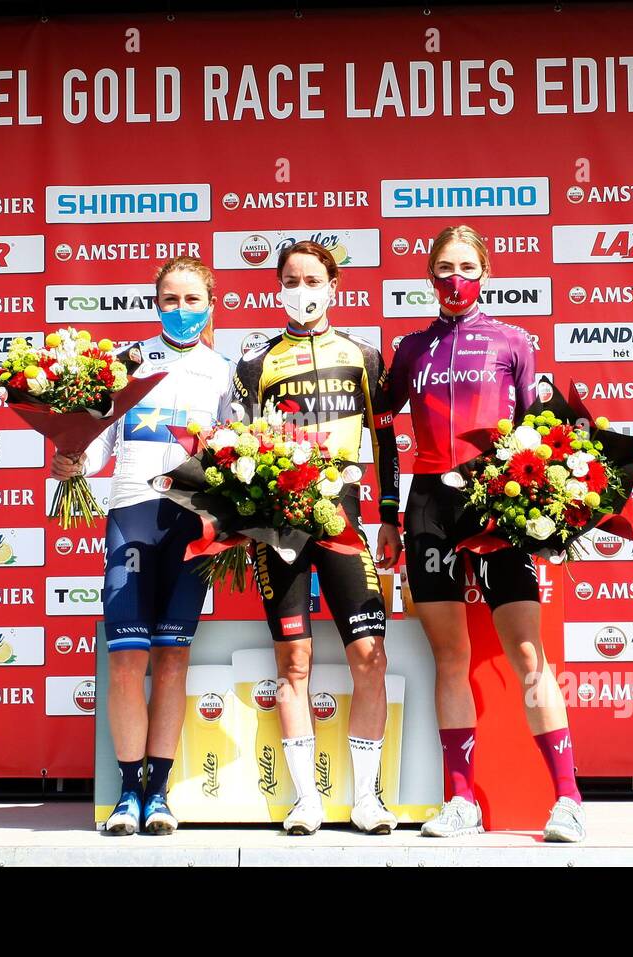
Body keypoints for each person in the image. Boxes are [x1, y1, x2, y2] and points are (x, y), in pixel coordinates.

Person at [380, 225, 585, 842]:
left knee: (529, 655)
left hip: (497, 503)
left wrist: (547, 508)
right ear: (428, 277)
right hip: (428, 509)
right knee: (451, 658)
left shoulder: (514, 342)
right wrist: (390, 514)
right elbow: (386, 432)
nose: (454, 279)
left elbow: (541, 432)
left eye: (466, 267)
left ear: (486, 272)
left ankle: (568, 800)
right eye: (443, 268)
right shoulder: (410, 349)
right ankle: (461, 801)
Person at [51, 256, 234, 836]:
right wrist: (69, 460)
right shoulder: (127, 363)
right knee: (127, 658)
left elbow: (233, 453)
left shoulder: (223, 371)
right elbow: (98, 447)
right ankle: (127, 795)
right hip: (131, 515)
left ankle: (159, 793)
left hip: (191, 523)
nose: (180, 311)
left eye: (191, 301)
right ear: (155, 305)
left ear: (210, 303)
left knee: (173, 657)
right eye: (169, 302)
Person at [233, 240, 403, 836]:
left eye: (312, 279)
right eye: (289, 280)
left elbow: (385, 446)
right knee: (294, 661)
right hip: (277, 529)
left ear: (334, 287)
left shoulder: (363, 355)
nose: (300, 290)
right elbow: (237, 447)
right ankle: (306, 801)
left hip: (346, 525)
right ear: (276, 286)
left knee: (370, 658)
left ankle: (368, 800)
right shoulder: (255, 362)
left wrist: (390, 515)